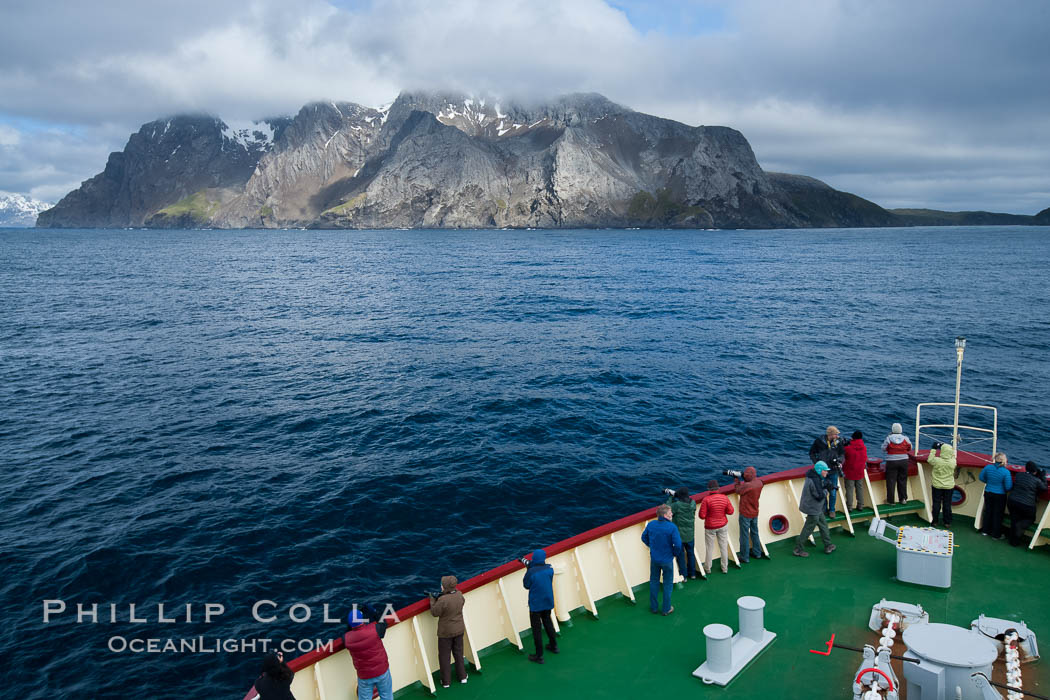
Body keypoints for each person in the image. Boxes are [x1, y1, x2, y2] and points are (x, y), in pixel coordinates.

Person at [344, 605, 393, 700]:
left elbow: (348, 632)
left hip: (364, 676)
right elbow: (383, 623)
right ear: (361, 620)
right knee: (387, 697)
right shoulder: (375, 629)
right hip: (382, 671)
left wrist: (351, 623)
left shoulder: (346, 639)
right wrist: (374, 612)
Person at [641, 504, 682, 615]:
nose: (672, 514)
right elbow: (678, 545)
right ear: (665, 515)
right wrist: (673, 553)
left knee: (654, 581)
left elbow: (643, 537)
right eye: (670, 513)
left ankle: (654, 608)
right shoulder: (672, 527)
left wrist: (652, 547)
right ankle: (666, 608)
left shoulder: (651, 524)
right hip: (667, 560)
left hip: (655, 559)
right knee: (667, 584)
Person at [429, 576, 468, 687]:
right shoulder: (459, 595)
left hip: (445, 633)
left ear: (445, 586)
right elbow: (461, 602)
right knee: (458, 653)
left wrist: (432, 600)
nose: (441, 586)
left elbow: (434, 612)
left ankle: (446, 682)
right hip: (459, 630)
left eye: (442, 584)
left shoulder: (442, 600)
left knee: (444, 657)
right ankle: (463, 677)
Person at [522, 549, 558, 663]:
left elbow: (526, 585)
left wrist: (528, 568)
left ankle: (539, 655)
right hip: (547, 602)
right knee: (548, 623)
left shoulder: (531, 572)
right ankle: (554, 646)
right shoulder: (549, 570)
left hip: (536, 605)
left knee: (536, 629)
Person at [794, 461, 836, 557]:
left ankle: (828, 545)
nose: (826, 473)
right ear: (819, 470)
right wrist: (827, 489)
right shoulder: (814, 480)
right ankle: (798, 549)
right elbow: (819, 496)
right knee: (808, 529)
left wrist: (825, 486)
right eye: (825, 471)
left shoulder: (814, 476)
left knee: (823, 525)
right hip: (813, 508)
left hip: (815, 507)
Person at [699, 479, 735, 574]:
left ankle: (707, 568)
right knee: (723, 546)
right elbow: (731, 511)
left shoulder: (706, 500)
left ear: (709, 489)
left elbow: (702, 516)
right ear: (718, 488)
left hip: (710, 527)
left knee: (709, 548)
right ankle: (725, 568)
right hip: (723, 525)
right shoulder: (724, 498)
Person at [1007, 462, 1047, 546]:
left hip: (1012, 501)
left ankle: (1012, 540)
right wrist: (1043, 477)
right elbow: (1044, 488)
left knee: (1014, 519)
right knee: (1030, 519)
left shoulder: (1019, 475)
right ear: (1035, 471)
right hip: (1027, 505)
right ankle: (1020, 527)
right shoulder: (1036, 480)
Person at [810, 426, 847, 516]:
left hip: (834, 470)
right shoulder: (819, 442)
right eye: (836, 434)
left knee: (833, 492)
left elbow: (842, 453)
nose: (837, 435)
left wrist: (840, 461)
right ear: (830, 434)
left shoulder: (838, 443)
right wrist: (817, 463)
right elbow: (811, 453)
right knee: (823, 491)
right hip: (822, 471)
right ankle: (824, 509)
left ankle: (832, 510)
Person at [665, 487, 698, 579]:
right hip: (690, 534)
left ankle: (684, 575)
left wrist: (671, 497)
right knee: (690, 554)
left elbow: (668, 509)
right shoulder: (693, 503)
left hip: (679, 536)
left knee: (681, 555)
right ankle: (693, 574)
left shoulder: (677, 505)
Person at [979, 452, 1013, 539]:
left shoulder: (988, 467)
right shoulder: (1006, 472)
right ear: (1004, 461)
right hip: (1000, 495)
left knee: (988, 511)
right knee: (997, 514)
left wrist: (989, 482)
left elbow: (981, 477)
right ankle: (995, 535)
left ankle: (985, 531)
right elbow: (1008, 487)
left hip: (988, 492)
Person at [733, 467, 764, 563]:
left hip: (745, 513)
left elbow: (738, 490)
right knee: (755, 533)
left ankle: (744, 557)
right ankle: (757, 553)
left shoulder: (747, 485)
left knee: (744, 536)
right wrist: (744, 477)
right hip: (755, 512)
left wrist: (737, 480)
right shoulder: (759, 483)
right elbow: (750, 481)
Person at [926, 442, 957, 527]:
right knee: (947, 504)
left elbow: (929, 460)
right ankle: (947, 522)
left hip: (937, 485)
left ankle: (935, 521)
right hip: (949, 486)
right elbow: (953, 456)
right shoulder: (953, 462)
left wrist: (933, 449)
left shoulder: (937, 461)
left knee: (936, 503)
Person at [881, 423, 912, 504]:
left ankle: (891, 501)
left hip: (891, 461)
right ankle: (903, 499)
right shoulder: (906, 438)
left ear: (892, 430)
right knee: (902, 480)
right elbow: (910, 447)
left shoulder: (888, 438)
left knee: (891, 481)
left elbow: (883, 448)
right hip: (904, 461)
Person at [842, 430, 868, 511]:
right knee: (859, 488)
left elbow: (843, 455)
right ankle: (860, 505)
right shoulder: (864, 447)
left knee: (849, 489)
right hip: (860, 471)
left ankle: (849, 506)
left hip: (850, 472)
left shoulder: (848, 448)